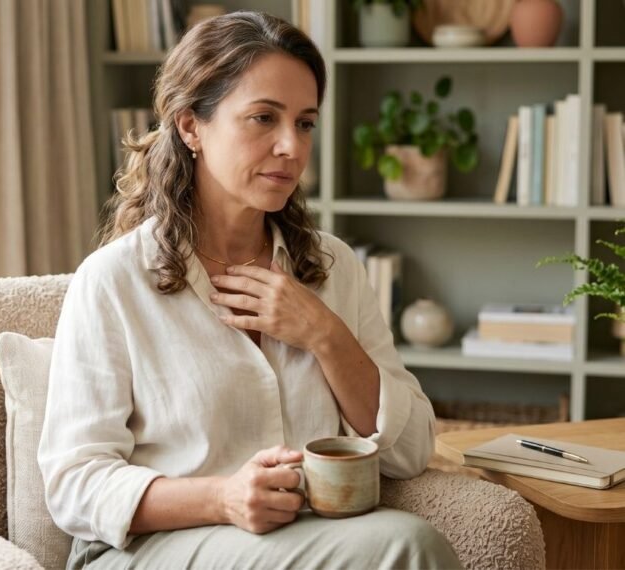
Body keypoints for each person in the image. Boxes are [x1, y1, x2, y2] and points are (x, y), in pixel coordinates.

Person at [40, 11, 462, 569]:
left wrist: (326, 335)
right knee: (409, 546)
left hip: (306, 538)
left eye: (305, 123)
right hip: (146, 550)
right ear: (191, 126)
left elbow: (409, 453)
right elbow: (74, 483)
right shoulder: (113, 281)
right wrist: (223, 497)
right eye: (263, 118)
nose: (291, 145)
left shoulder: (334, 268)